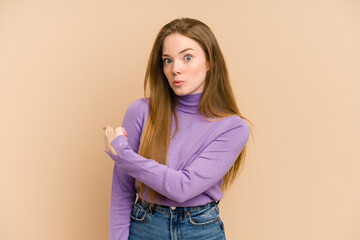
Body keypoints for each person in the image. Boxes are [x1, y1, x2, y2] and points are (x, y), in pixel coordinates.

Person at [103, 17, 253, 240]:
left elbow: (183, 188)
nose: (176, 69)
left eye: (188, 57)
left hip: (201, 230)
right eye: (167, 60)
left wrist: (123, 155)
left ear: (210, 62)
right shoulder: (141, 111)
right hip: (145, 226)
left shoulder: (233, 128)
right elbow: (122, 191)